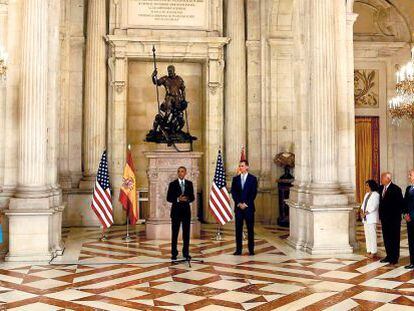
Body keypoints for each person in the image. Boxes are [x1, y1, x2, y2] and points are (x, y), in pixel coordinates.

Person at [167, 166, 195, 261]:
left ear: (185, 173)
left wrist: (187, 199)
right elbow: (168, 198)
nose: (180, 173)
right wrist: (178, 199)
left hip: (186, 212)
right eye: (179, 171)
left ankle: (186, 253)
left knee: (186, 234)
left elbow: (193, 197)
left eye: (182, 171)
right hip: (176, 212)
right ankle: (174, 253)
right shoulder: (172, 184)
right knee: (175, 233)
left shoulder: (189, 184)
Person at [231, 160, 258, 256]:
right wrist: (238, 203)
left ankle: (251, 250)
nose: (240, 168)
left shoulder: (253, 179)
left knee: (250, 229)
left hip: (249, 208)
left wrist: (245, 203)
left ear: (247, 167)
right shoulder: (235, 179)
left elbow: (253, 193)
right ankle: (238, 250)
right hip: (238, 208)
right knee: (238, 229)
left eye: (242, 166)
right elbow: (233, 192)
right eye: (239, 166)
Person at [379, 172, 403, 265]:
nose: (381, 180)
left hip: (394, 220)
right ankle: (388, 256)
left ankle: (394, 257)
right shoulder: (381, 188)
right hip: (384, 219)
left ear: (388, 179)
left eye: (382, 178)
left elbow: (400, 204)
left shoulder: (396, 189)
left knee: (394, 238)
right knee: (386, 238)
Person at [360, 180, 380, 259]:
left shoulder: (376, 195)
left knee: (372, 235)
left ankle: (374, 252)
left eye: (367, 185)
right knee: (367, 235)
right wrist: (362, 212)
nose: (366, 187)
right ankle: (369, 251)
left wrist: (365, 213)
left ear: (371, 186)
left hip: (371, 217)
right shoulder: (366, 194)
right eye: (366, 185)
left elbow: (374, 206)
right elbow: (363, 205)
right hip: (365, 218)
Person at [403, 169, 414, 269]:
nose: (409, 177)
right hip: (409, 219)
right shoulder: (408, 188)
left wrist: (411, 216)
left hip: (413, 218)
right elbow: (404, 203)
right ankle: (412, 262)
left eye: (410, 175)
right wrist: (405, 214)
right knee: (411, 241)